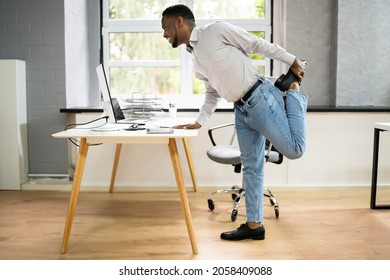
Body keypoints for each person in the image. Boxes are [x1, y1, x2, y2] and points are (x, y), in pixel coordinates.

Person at [161, 4, 307, 241]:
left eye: (165, 28)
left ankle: (293, 91)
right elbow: (211, 93)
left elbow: (256, 44)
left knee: (295, 150)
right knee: (252, 166)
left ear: (179, 21)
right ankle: (254, 225)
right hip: (240, 110)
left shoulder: (216, 30)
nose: (164, 34)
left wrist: (292, 60)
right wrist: (199, 122)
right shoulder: (195, 57)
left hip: (260, 98)